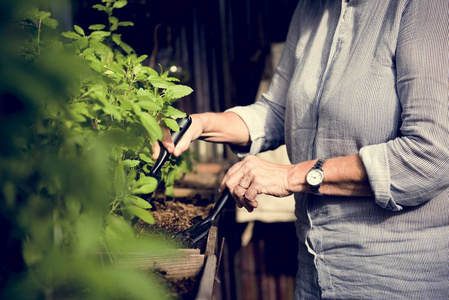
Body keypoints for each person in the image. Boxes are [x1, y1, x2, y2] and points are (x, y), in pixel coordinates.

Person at [154, 0, 449, 299]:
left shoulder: (423, 7)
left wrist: (291, 176)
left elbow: (431, 154)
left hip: (396, 280)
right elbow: (277, 111)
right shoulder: (310, 9)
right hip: (313, 272)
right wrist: (201, 124)